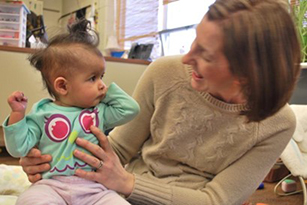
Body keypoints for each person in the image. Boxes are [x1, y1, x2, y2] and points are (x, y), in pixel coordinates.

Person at [20, 0, 301, 204]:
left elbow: (219, 200)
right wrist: (54, 158)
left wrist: (128, 183)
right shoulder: (165, 72)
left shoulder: (278, 123)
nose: (188, 58)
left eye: (206, 54)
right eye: (195, 41)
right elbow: (117, 147)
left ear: (245, 75)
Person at [2, 19, 139, 205]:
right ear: (62, 86)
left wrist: (106, 90)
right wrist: (18, 114)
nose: (101, 84)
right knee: (29, 200)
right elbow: (18, 148)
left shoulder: (100, 112)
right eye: (92, 78)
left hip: (96, 188)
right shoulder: (42, 112)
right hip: (51, 185)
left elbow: (130, 110)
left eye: (102, 76)